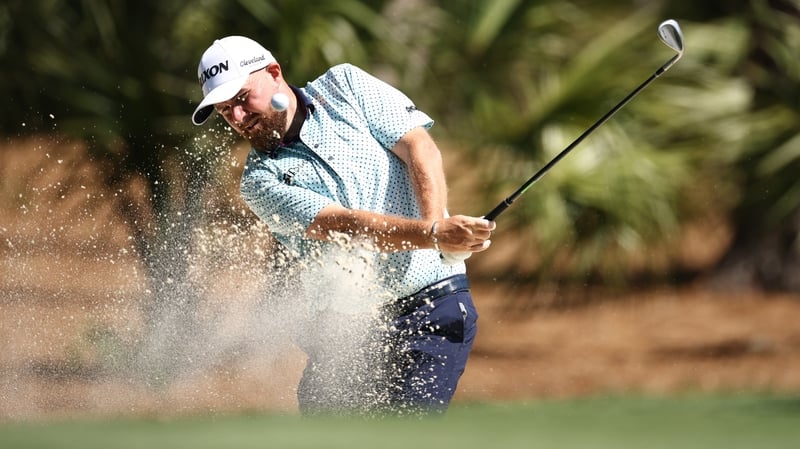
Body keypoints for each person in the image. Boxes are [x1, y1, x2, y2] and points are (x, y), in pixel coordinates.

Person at [191, 36, 495, 416]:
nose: (237, 118)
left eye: (241, 99)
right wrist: (433, 236)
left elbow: (418, 145)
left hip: (432, 307)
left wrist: (436, 229)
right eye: (224, 111)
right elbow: (344, 226)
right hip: (347, 334)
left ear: (273, 73)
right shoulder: (260, 181)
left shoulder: (346, 86)